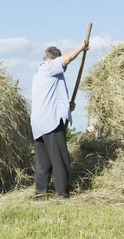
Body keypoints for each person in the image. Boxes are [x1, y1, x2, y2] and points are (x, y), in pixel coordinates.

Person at [31, 40, 89, 199]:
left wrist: (66, 105)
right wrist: (82, 47)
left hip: (39, 124)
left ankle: (40, 194)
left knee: (43, 162)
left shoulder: (38, 74)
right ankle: (62, 195)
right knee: (60, 160)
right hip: (51, 123)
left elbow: (50, 98)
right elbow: (67, 59)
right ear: (53, 59)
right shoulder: (49, 68)